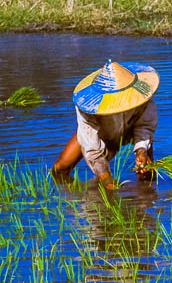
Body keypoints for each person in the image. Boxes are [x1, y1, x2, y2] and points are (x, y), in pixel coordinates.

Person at [53, 60, 159, 189]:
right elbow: (92, 150)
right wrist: (107, 180)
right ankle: (70, 194)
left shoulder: (141, 95)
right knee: (60, 170)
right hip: (98, 132)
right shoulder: (88, 106)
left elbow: (145, 126)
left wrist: (141, 150)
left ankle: (147, 200)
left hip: (132, 128)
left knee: (146, 170)